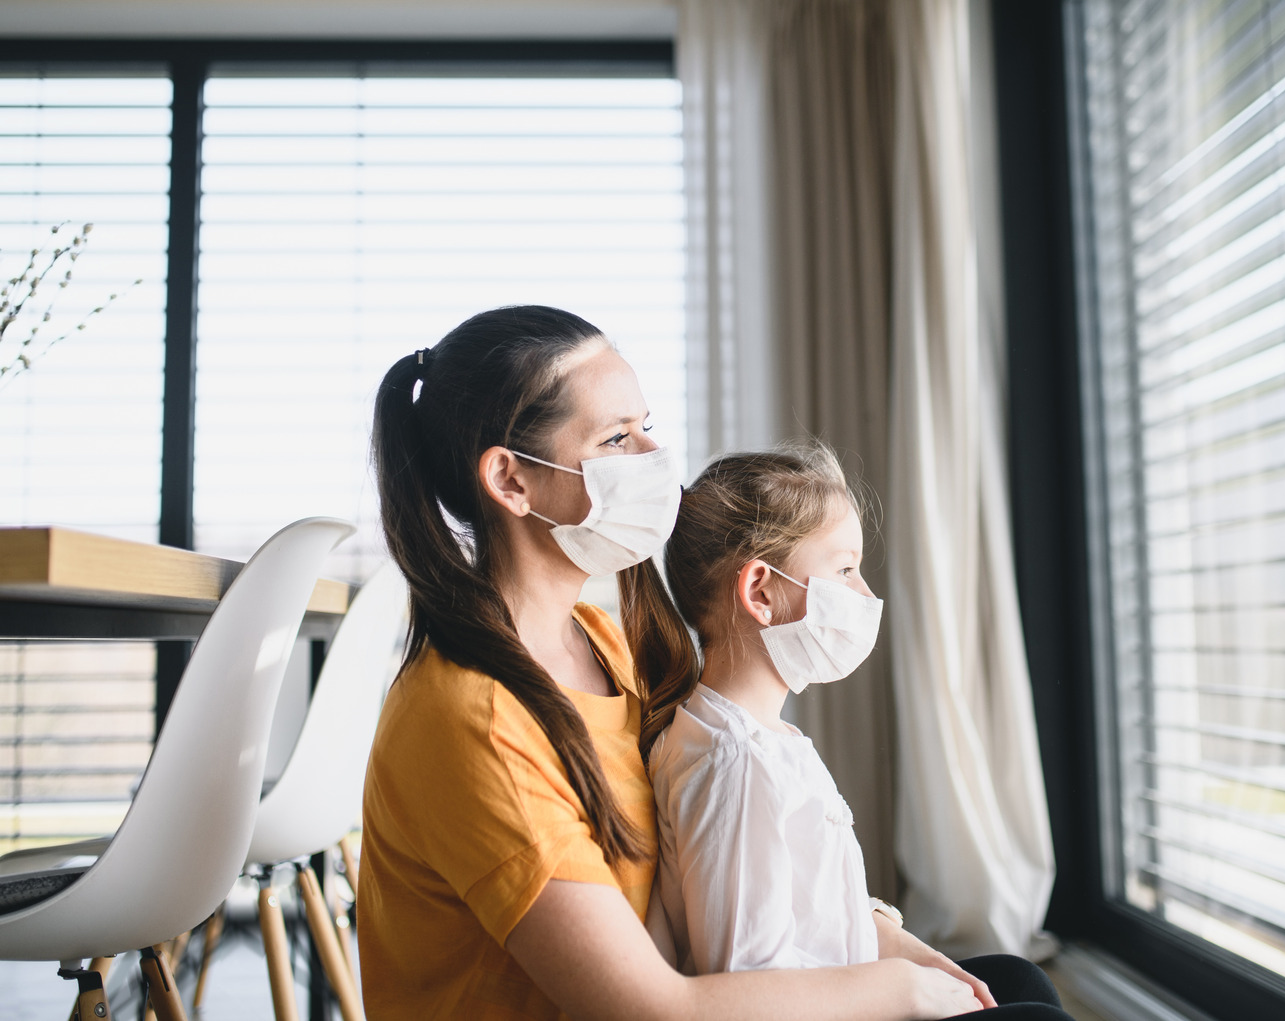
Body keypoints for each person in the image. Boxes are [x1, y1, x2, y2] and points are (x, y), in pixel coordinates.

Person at [358, 305, 984, 1020]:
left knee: (1005, 985)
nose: (656, 458)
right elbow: (654, 1007)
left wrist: (888, 946)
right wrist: (896, 989)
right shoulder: (475, 720)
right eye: (618, 437)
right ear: (512, 480)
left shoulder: (606, 644)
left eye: (646, 425)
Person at [636, 444, 1074, 1019]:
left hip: (848, 988)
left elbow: (816, 905)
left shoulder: (763, 740)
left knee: (1017, 979)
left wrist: (899, 947)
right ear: (761, 592)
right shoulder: (735, 763)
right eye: (845, 569)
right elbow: (746, 984)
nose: (866, 596)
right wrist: (899, 988)